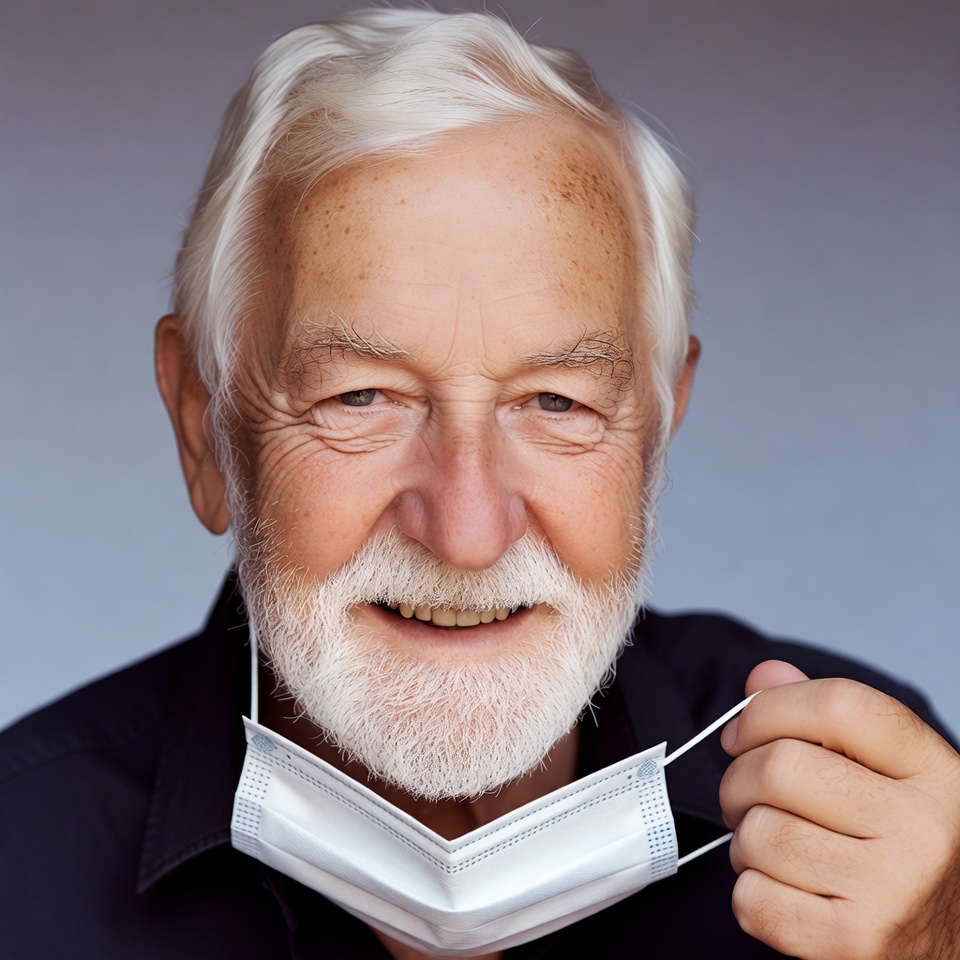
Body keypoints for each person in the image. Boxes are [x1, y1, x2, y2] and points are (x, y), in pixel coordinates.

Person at [1, 8, 958, 959]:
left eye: (556, 402)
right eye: (361, 397)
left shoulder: (890, 821)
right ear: (203, 428)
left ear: (659, 432)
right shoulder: (19, 873)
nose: (465, 530)